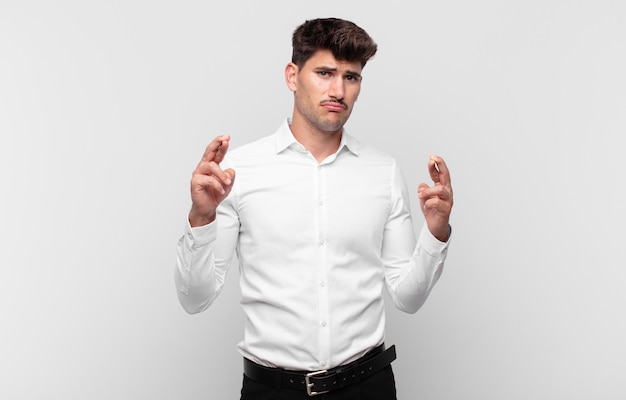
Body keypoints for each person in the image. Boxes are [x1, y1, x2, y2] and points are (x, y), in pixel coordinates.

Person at [175, 17, 453, 400]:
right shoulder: (239, 173)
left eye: (351, 77)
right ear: (293, 75)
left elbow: (408, 297)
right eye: (324, 73)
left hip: (367, 388)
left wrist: (435, 233)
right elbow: (195, 297)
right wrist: (201, 218)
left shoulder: (382, 171)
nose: (338, 90)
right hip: (273, 391)